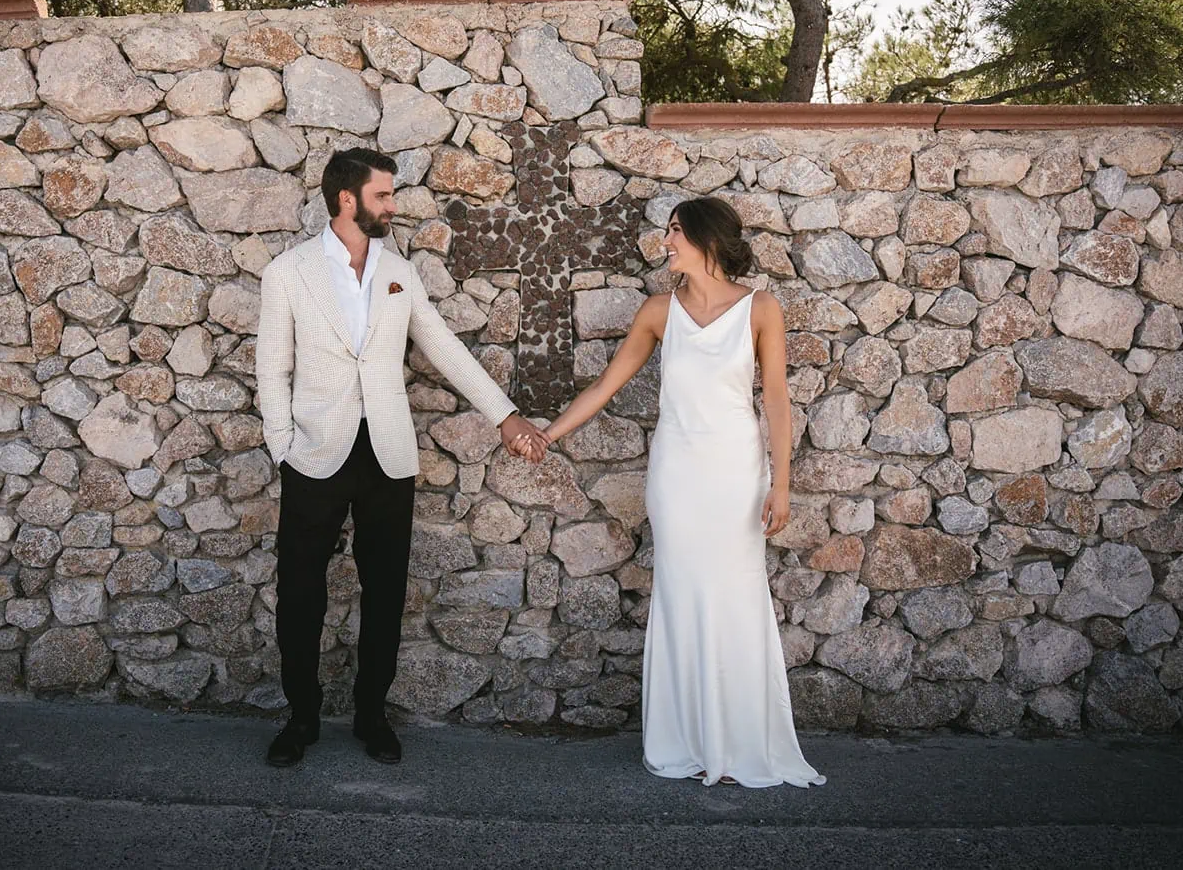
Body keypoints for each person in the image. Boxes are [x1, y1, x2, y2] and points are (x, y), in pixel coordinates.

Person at [255, 146, 550, 767]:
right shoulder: (289, 272)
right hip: (313, 456)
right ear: (347, 200)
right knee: (301, 592)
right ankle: (300, 718)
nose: (393, 205)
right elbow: (272, 368)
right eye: (384, 195)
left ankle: (370, 715)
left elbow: (442, 347)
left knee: (385, 590)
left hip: (388, 456)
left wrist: (505, 415)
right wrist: (283, 445)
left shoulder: (399, 272)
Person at [526, 196, 825, 788]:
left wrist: (783, 485)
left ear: (706, 240)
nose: (665, 242)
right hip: (677, 476)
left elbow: (778, 404)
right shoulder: (658, 312)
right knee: (682, 596)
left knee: (735, 596)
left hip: (737, 474)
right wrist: (547, 434)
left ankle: (741, 740)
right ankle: (685, 740)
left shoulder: (762, 308)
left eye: (674, 232)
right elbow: (608, 385)